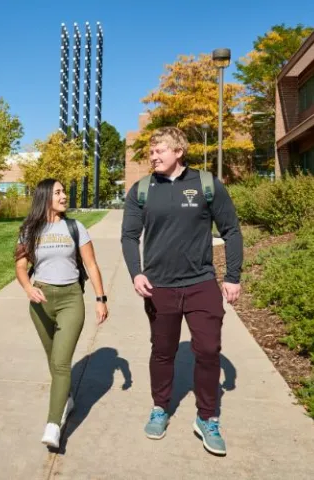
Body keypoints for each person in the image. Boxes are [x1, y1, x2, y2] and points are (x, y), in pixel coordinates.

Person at [121, 127, 243, 456]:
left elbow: (231, 230)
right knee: (163, 351)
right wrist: (136, 273)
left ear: (178, 152)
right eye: (150, 151)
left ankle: (207, 417)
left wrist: (232, 276)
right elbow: (129, 237)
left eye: (159, 150)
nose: (152, 156)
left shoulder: (206, 185)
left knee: (208, 349)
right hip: (159, 286)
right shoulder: (141, 190)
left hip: (201, 283)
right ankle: (160, 408)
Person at [15, 178, 109, 449]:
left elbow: (91, 265)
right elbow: (21, 267)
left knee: (60, 362)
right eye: (58, 192)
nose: (64, 196)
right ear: (45, 197)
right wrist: (27, 288)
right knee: (53, 358)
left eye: (63, 192)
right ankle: (66, 397)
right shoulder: (29, 230)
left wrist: (100, 298)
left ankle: (54, 424)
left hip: (70, 299)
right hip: (41, 302)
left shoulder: (75, 227)